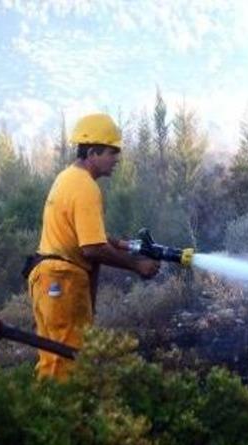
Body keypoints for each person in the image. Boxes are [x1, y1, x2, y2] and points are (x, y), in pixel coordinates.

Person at [28, 112, 159, 380]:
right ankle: (58, 407)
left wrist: (123, 244)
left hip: (49, 278)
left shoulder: (68, 178)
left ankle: (45, 405)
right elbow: (92, 248)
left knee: (53, 360)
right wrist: (137, 266)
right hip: (62, 281)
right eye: (111, 152)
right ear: (92, 152)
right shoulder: (86, 187)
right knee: (66, 363)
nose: (116, 158)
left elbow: (86, 235)